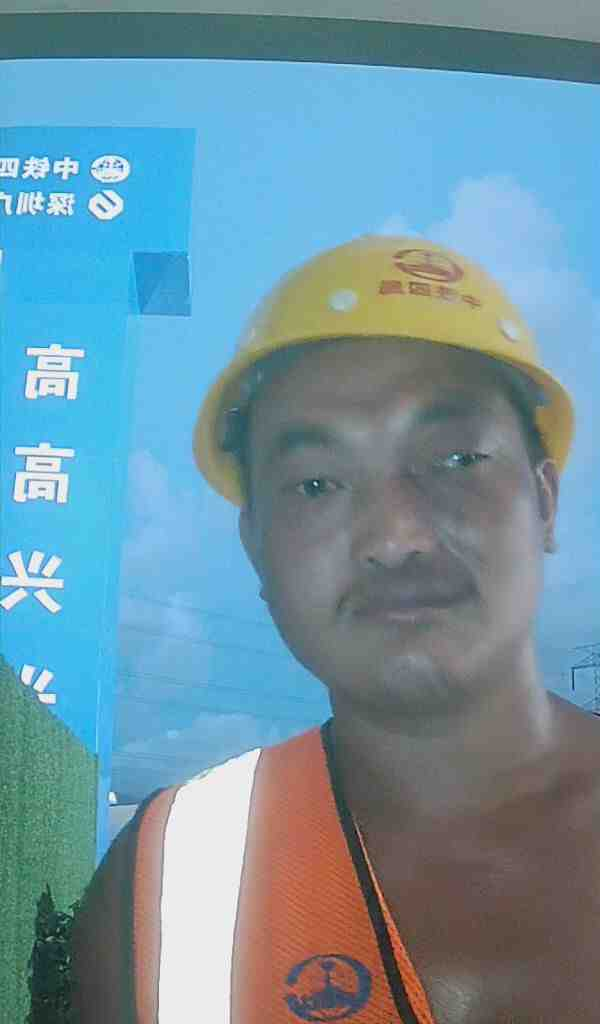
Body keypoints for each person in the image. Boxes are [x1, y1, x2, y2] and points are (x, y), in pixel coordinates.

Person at [71, 235, 600, 1024]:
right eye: (316, 484)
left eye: (457, 459)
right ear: (257, 547)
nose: (396, 537)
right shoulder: (162, 884)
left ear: (545, 502)